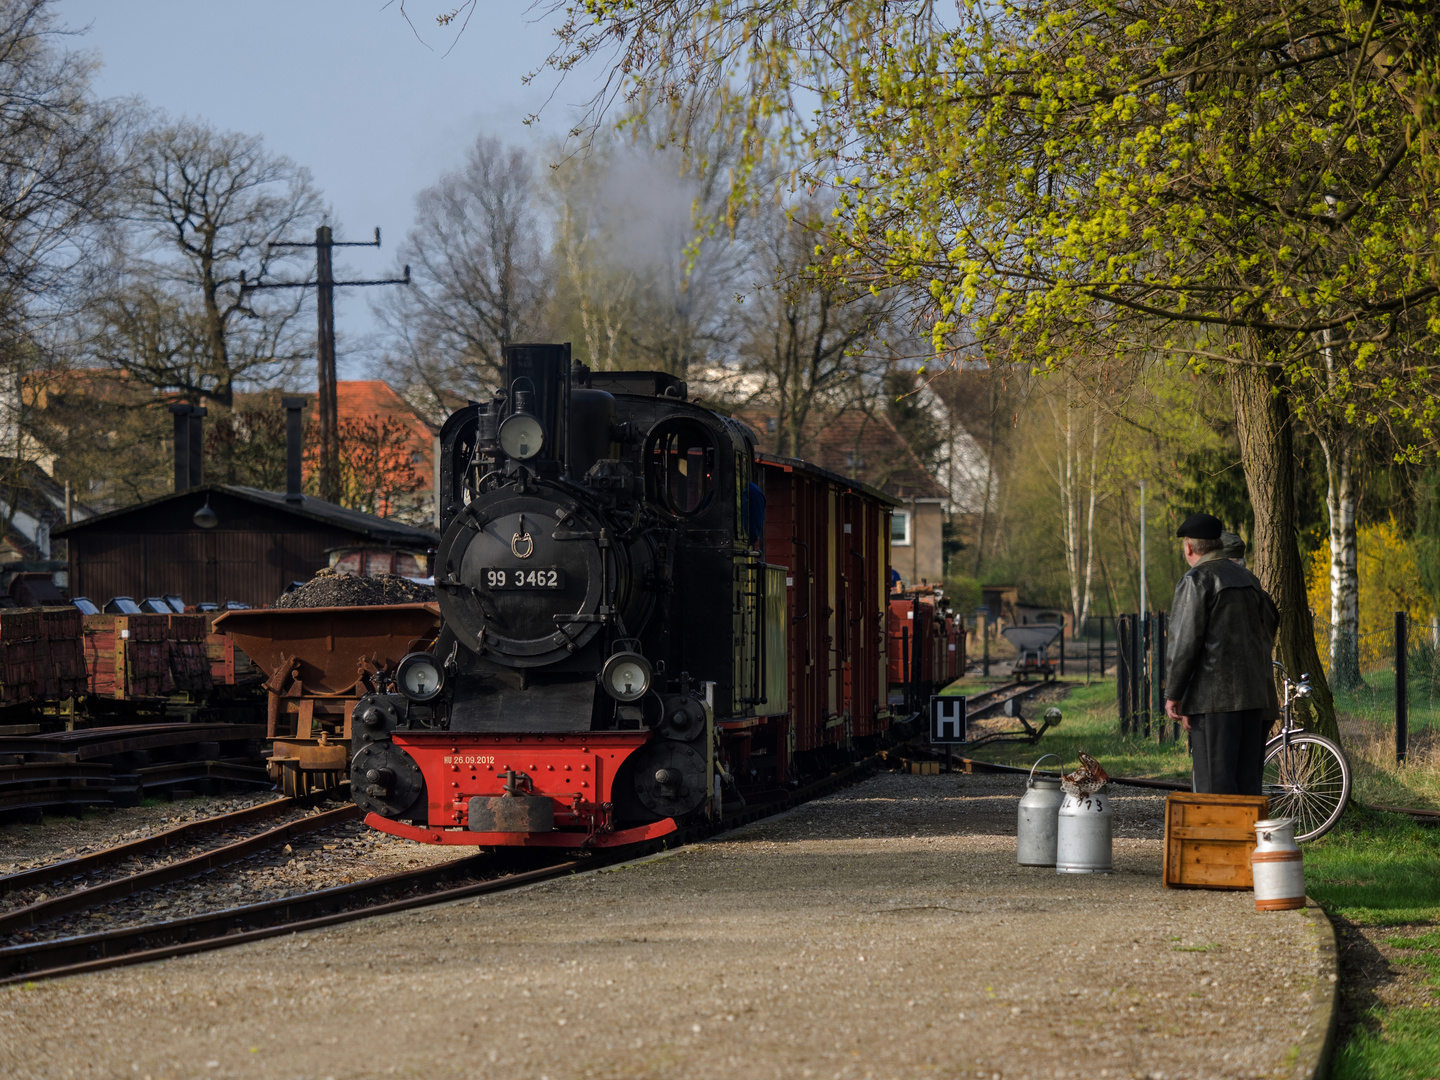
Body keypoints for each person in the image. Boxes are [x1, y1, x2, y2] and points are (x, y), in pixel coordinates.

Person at [1164, 513, 1279, 795]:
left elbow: (1184, 643)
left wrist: (1175, 694)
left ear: (1189, 548)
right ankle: (1247, 839)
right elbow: (1269, 626)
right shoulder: (1249, 580)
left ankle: (1218, 840)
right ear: (1217, 544)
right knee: (1247, 787)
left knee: (1214, 789)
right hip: (1256, 699)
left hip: (1215, 703)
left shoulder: (1197, 580)